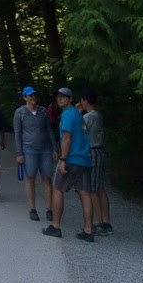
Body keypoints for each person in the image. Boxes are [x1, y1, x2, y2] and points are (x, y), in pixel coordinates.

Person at [42, 86, 94, 241]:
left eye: (64, 96)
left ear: (70, 99)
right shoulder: (78, 115)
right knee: (85, 194)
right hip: (84, 159)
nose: (60, 98)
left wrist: (63, 159)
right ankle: (88, 230)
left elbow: (67, 137)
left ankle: (56, 227)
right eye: (58, 96)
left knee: (58, 189)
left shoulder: (68, 115)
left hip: (71, 159)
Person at [13, 86, 58, 222]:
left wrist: (54, 148)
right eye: (30, 95)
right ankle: (32, 209)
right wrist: (19, 153)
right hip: (28, 149)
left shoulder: (43, 111)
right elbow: (17, 133)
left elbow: (49, 130)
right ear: (25, 97)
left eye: (34, 95)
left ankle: (49, 209)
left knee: (47, 178)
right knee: (30, 178)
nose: (32, 98)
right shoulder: (20, 113)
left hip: (45, 149)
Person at [80, 87, 112, 234]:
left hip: (92, 152)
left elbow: (76, 129)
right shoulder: (98, 115)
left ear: (85, 100)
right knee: (100, 188)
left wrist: (77, 112)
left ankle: (100, 223)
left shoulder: (88, 117)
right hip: (100, 151)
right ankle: (106, 221)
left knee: (92, 189)